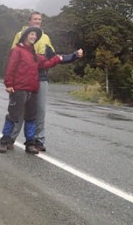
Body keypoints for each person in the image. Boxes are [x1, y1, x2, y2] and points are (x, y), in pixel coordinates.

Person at [8, 11, 83, 151]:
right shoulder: (20, 35)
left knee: (39, 111)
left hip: (40, 78)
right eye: (35, 19)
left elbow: (53, 58)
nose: (37, 21)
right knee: (18, 111)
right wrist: (10, 83)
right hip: (22, 79)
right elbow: (13, 58)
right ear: (29, 21)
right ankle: (9, 139)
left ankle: (37, 141)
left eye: (39, 19)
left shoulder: (45, 38)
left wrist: (74, 56)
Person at [0, 26, 67, 154]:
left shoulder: (34, 55)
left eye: (35, 35)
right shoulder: (17, 50)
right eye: (32, 34)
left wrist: (57, 59)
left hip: (33, 90)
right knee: (13, 116)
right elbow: (10, 67)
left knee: (30, 118)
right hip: (19, 89)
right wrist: (8, 84)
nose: (34, 37)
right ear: (25, 36)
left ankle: (30, 144)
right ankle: (4, 141)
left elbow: (45, 64)